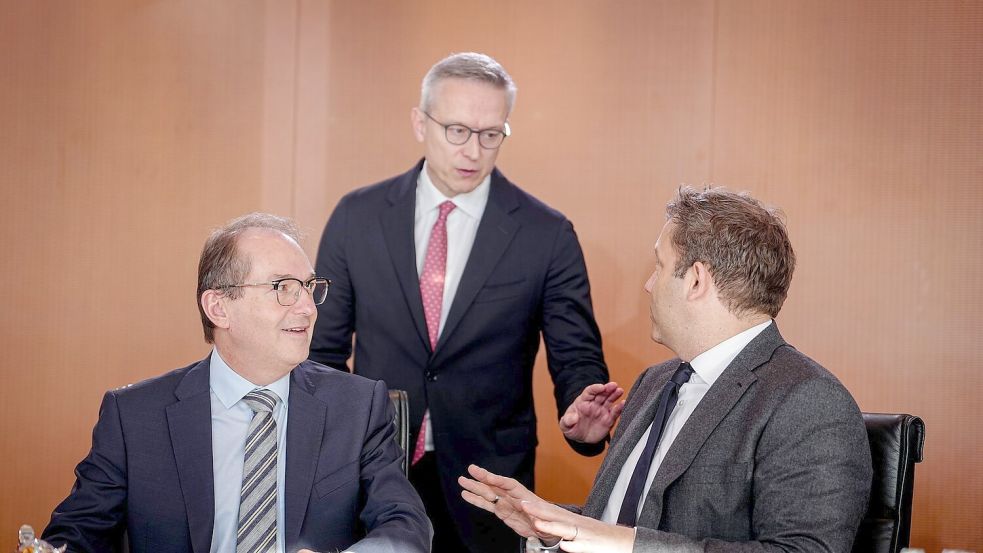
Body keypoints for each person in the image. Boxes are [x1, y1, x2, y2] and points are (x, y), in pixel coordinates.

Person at [310, 52, 618, 553]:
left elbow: (576, 357)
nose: (473, 150)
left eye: (491, 134)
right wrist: (334, 450)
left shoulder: (546, 234)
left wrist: (583, 419)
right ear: (420, 123)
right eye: (457, 130)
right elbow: (321, 354)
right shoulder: (357, 216)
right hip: (375, 472)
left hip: (491, 487)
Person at [459, 187, 873, 552]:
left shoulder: (809, 400)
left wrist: (621, 544)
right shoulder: (655, 382)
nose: (649, 285)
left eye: (658, 266)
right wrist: (551, 526)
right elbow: (623, 525)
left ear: (696, 281)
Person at [42, 213, 431, 553]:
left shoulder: (358, 406)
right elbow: (76, 534)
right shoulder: (135, 417)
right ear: (219, 308)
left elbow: (406, 528)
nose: (307, 308)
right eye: (283, 288)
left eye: (309, 287)